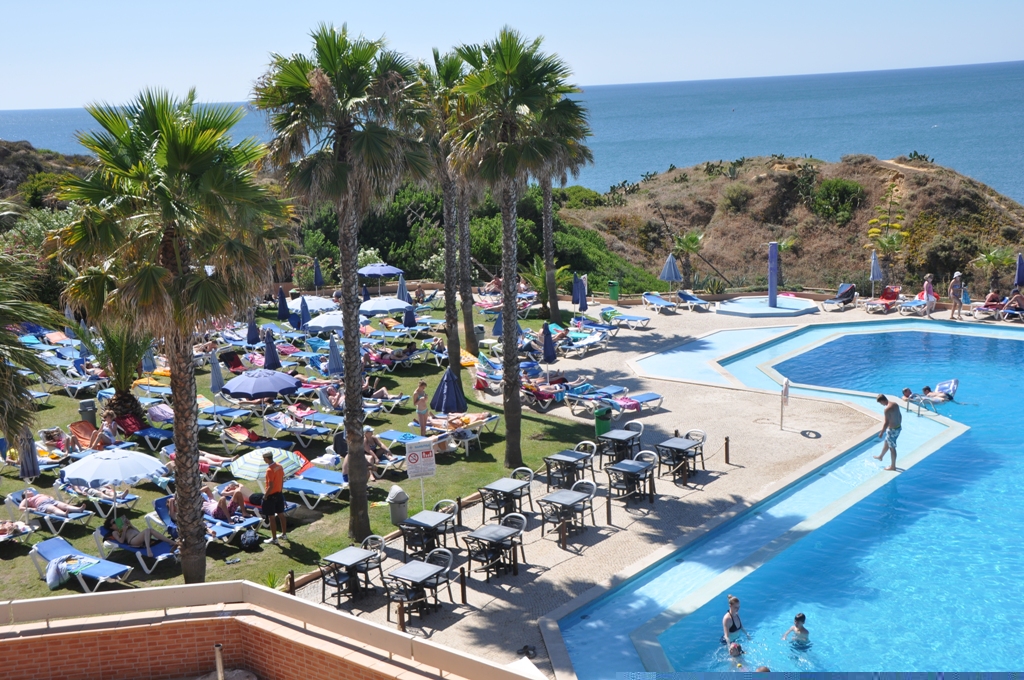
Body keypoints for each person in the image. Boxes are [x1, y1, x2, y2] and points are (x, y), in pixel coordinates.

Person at [103, 516, 175, 558]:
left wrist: (131, 525)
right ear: (111, 527)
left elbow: (138, 531)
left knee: (150, 530)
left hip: (138, 537)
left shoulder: (124, 526)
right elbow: (121, 541)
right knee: (148, 530)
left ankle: (171, 542)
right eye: (114, 522)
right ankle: (148, 549)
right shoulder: (115, 532)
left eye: (116, 521)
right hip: (133, 541)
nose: (116, 523)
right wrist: (124, 531)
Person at [262, 451, 287, 544]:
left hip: (271, 496)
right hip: (279, 494)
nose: (264, 460)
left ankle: (274, 539)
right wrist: (280, 490)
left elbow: (270, 486)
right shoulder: (279, 466)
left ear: (267, 458)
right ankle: (284, 534)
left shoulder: (269, 470)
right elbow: (282, 479)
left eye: (264, 458)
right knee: (281, 514)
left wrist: (265, 496)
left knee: (271, 517)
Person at [873, 394, 902, 471]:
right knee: (887, 442)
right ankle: (880, 456)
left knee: (892, 448)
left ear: (882, 400)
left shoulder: (887, 409)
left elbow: (886, 422)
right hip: (898, 428)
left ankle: (893, 466)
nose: (881, 404)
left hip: (892, 430)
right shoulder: (895, 404)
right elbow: (900, 415)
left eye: (880, 403)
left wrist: (882, 432)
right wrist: (899, 424)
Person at [18, 489, 84, 518]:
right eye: (27, 491)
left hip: (51, 501)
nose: (29, 490)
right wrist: (33, 509)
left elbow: (49, 496)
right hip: (42, 505)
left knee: (65, 505)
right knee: (53, 509)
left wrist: (51, 498)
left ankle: (78, 509)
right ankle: (63, 514)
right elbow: (20, 508)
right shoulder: (26, 499)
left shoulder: (38, 495)